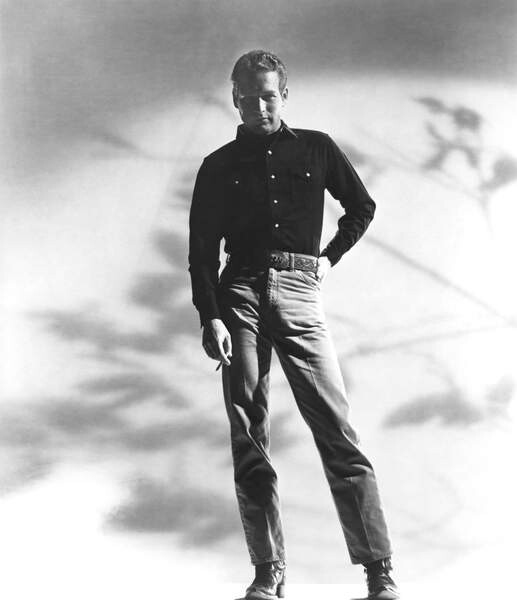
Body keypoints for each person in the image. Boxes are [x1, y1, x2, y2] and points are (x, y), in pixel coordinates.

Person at [188, 49, 400, 600]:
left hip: (301, 290)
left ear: (285, 94)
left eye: (270, 96)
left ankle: (379, 571)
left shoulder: (317, 147)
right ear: (235, 98)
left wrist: (328, 259)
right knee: (249, 434)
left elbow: (362, 206)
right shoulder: (217, 165)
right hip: (239, 296)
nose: (261, 106)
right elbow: (201, 252)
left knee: (336, 428)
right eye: (250, 97)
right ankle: (269, 571)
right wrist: (211, 316)